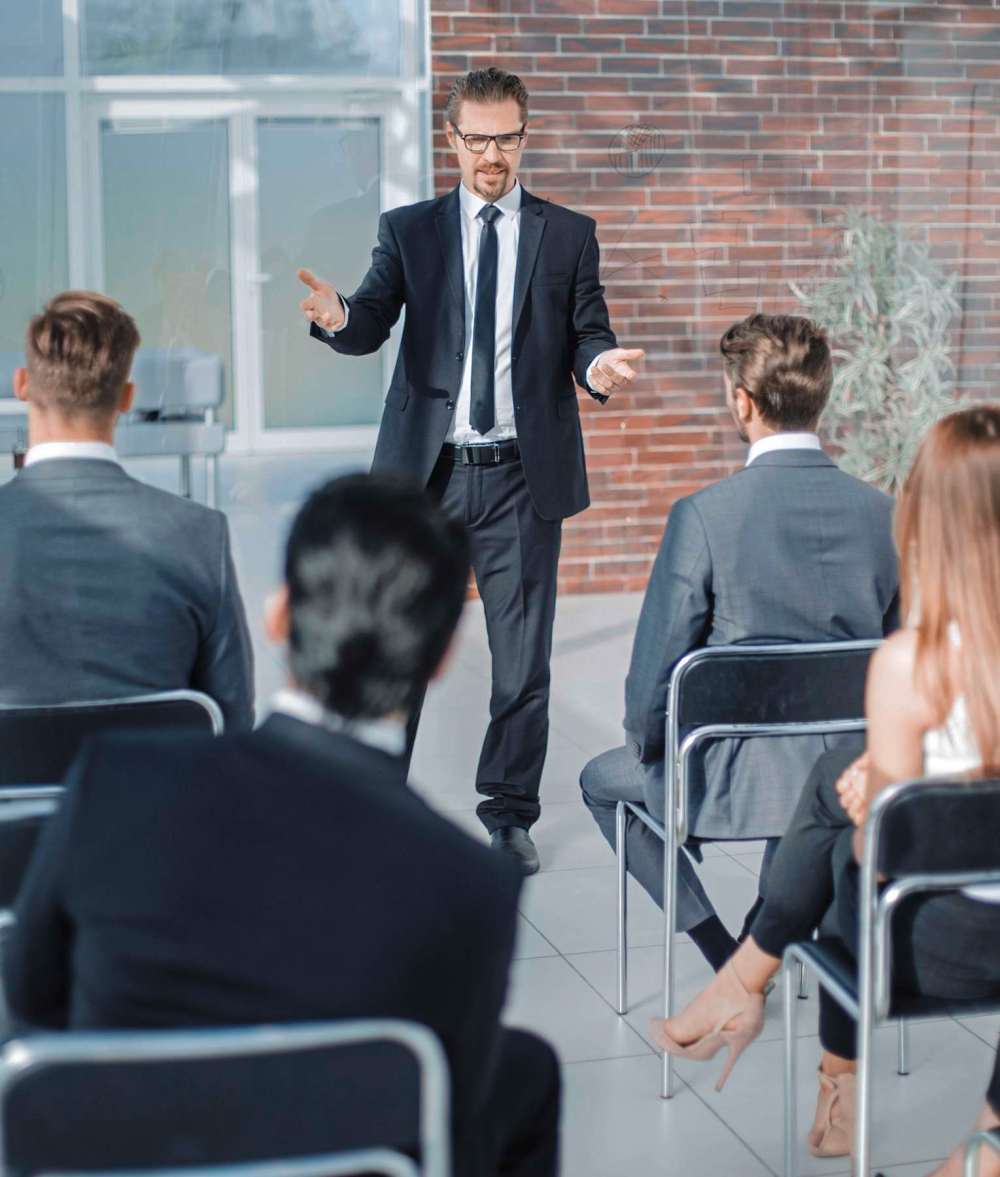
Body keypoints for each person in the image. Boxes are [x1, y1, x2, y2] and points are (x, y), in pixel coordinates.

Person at [3, 473, 560, 1177]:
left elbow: (31, 993)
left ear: (278, 616)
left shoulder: (113, 780)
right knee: (522, 1071)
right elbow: (447, 1120)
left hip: (125, 1151)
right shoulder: (475, 883)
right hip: (339, 1147)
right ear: (445, 653)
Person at [297, 66, 645, 875]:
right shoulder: (410, 231)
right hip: (427, 478)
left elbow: (589, 333)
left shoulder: (568, 235)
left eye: (507, 138)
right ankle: (379, 802)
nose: (492, 154)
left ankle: (509, 814)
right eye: (478, 138)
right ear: (451, 138)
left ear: (525, 136)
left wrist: (597, 369)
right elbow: (371, 319)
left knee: (521, 665)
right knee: (398, 645)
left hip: (522, 476)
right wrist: (339, 315)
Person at [655, 407, 1000, 1168]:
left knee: (844, 849)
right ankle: (989, 1139)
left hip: (929, 951)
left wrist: (878, 799)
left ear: (926, 518)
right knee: (838, 776)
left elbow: (884, 863)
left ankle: (759, 992)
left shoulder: (911, 667)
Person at [579, 313, 899, 972]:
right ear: (821, 397)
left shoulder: (704, 516)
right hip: (849, 776)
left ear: (742, 402)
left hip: (724, 777)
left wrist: (650, 752)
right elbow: (904, 660)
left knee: (600, 782)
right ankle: (768, 932)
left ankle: (727, 951)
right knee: (802, 757)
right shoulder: (883, 514)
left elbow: (652, 683)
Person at [0, 291, 254, 731]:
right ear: (127, 397)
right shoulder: (198, 534)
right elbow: (232, 724)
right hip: (155, 777)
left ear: (22, 384)